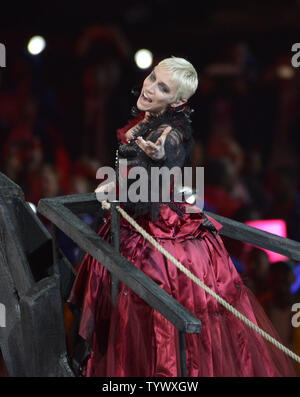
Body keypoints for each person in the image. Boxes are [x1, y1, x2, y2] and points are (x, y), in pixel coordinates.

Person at [68, 57, 296, 377]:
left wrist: (157, 153)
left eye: (162, 88)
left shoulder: (171, 129)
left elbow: (167, 149)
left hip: (163, 236)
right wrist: (115, 183)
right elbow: (135, 173)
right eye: (152, 78)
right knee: (125, 315)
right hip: (134, 224)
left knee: (157, 315)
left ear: (178, 101)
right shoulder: (145, 119)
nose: (150, 88)